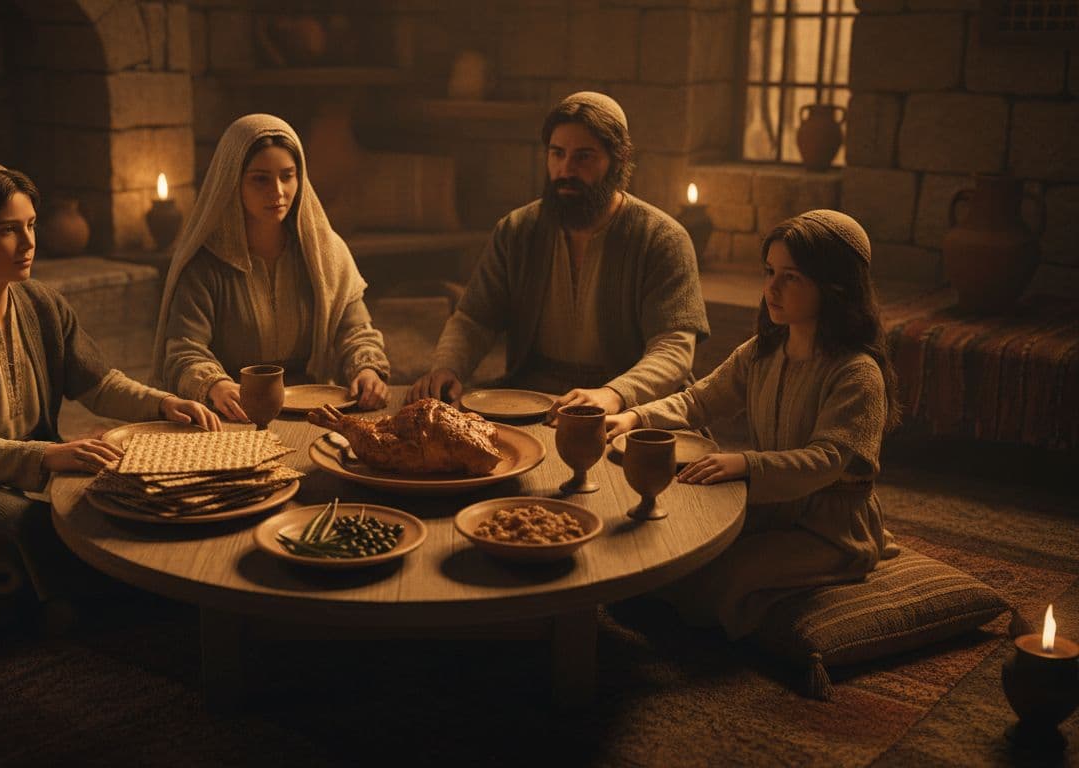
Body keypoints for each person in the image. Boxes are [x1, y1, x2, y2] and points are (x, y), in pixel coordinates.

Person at [0, 160, 220, 607]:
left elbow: (99, 384)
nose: (29, 242)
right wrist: (52, 455)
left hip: (35, 475)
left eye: (32, 225)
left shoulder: (41, 303)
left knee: (128, 503)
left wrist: (163, 404)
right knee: (13, 524)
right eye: (7, 230)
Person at [605, 210, 902, 638]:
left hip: (831, 531)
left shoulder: (856, 372)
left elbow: (829, 459)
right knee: (675, 546)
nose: (771, 288)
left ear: (835, 287)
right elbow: (698, 400)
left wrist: (745, 464)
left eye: (791, 277)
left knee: (725, 576)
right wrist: (633, 415)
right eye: (769, 272)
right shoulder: (763, 351)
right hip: (769, 507)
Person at [407, 91, 709, 416]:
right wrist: (447, 368)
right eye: (557, 153)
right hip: (531, 392)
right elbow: (474, 320)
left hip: (626, 405)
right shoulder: (517, 230)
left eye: (583, 157)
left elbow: (673, 347)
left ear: (617, 161)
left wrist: (615, 393)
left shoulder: (662, 239)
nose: (566, 170)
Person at [151, 114, 391, 421]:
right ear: (232, 181)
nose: (277, 191)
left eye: (287, 175)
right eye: (260, 179)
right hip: (232, 415)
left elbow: (355, 330)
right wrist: (216, 384)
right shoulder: (206, 265)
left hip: (313, 412)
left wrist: (367, 369)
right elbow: (183, 349)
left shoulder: (325, 253)